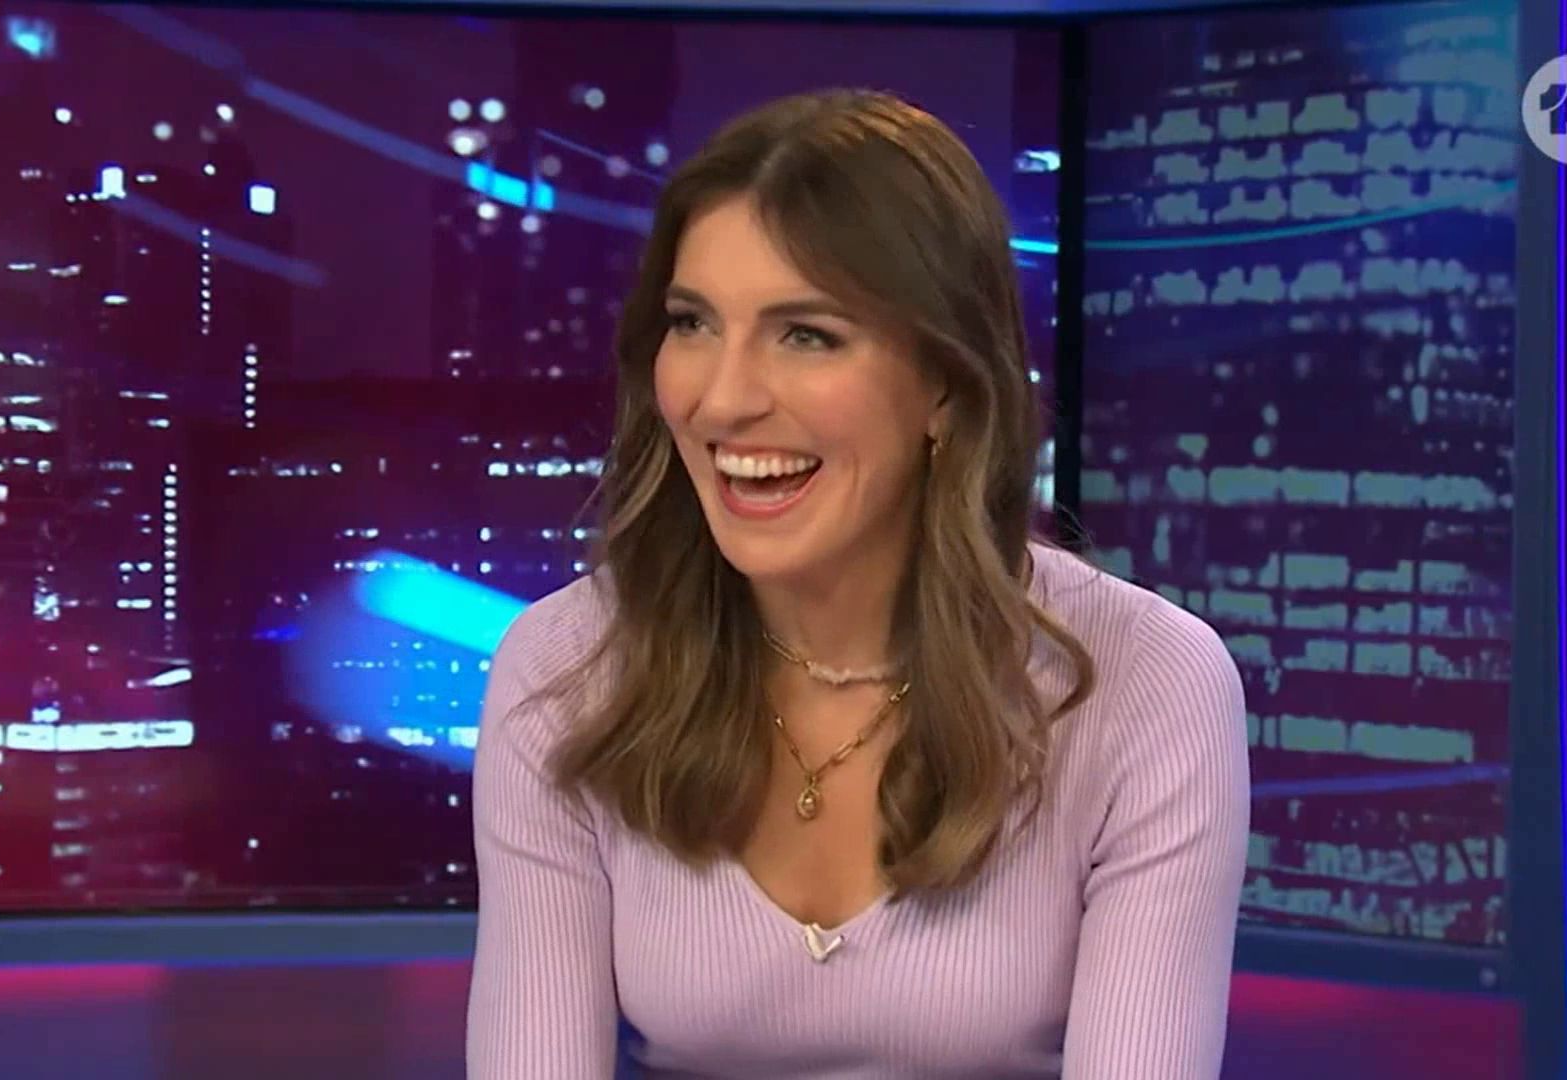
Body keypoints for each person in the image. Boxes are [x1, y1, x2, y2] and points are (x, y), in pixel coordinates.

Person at [466, 88, 1249, 1078]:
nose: (722, 400)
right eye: (692, 323)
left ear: (945, 384)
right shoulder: (568, 669)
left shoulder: (1148, 684)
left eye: (806, 334)